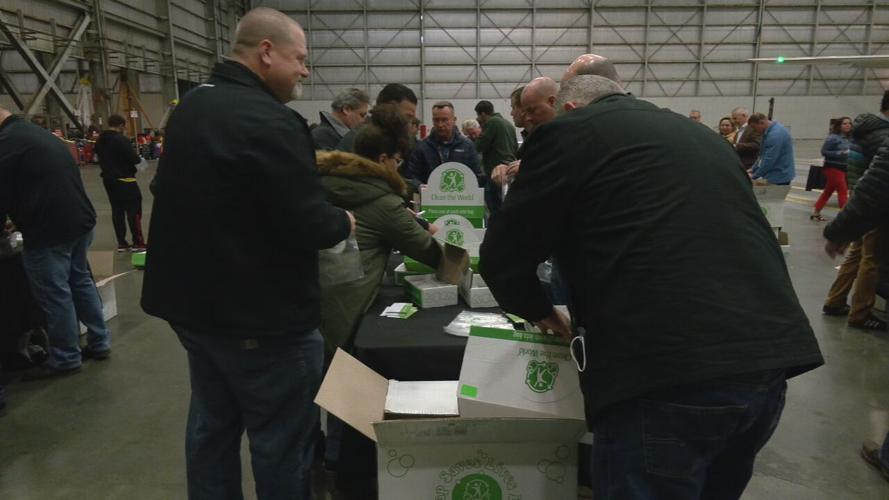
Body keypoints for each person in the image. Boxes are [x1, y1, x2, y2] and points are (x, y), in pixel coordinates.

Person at [480, 73, 823, 500]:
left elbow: (502, 256)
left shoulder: (566, 135)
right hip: (768, 364)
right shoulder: (700, 136)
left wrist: (543, 313)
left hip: (665, 374)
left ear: (567, 109)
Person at [141, 8, 354, 500]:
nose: (305, 70)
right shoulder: (272, 121)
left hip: (195, 312)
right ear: (266, 52)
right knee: (280, 442)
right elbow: (306, 223)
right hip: (261, 321)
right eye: (299, 58)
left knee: (212, 429)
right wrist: (342, 221)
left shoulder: (192, 108)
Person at [317, 104, 441, 362]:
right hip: (350, 309)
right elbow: (429, 251)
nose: (399, 166)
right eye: (398, 160)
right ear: (384, 159)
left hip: (319, 300)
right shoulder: (382, 201)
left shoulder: (331, 181)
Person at [0, 107, 111, 380]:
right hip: (79, 221)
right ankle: (99, 342)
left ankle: (66, 358)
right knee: (80, 281)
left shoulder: (8, 143)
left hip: (48, 230)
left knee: (55, 294)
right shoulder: (38, 134)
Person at [819, 116, 889, 475]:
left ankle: (842, 303)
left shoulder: (868, 143)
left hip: (865, 217)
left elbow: (869, 191)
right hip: (873, 218)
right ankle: (854, 308)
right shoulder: (878, 143)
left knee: (860, 258)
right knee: (867, 260)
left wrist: (839, 230)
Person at [822, 92, 889, 331]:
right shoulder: (882, 137)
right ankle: (861, 312)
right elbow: (877, 185)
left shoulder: (867, 131)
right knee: (871, 259)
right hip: (876, 210)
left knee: (856, 254)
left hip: (862, 204)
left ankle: (835, 300)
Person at [95, 114, 146, 252]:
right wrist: (141, 164)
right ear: (121, 125)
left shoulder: (100, 140)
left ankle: (122, 243)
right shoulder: (121, 140)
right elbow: (134, 159)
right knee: (134, 210)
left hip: (109, 180)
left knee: (117, 211)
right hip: (126, 179)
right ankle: (138, 242)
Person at [404, 101, 481, 184]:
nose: (440, 124)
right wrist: (422, 187)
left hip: (461, 196)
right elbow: (412, 176)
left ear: (454, 120)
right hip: (431, 196)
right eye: (436, 120)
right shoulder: (421, 147)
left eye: (444, 120)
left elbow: (476, 175)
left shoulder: (468, 146)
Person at [336, 83, 418, 152]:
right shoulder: (357, 141)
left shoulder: (403, 141)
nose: (410, 123)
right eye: (408, 116)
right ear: (389, 108)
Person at [474, 100, 518, 214]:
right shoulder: (508, 124)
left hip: (496, 171)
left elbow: (479, 146)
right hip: (510, 169)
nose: (478, 118)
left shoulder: (492, 122)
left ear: (483, 114)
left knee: (494, 208)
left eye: (478, 115)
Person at [811, 117, 852, 221]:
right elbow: (824, 151)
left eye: (849, 123)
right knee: (843, 191)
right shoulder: (833, 138)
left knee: (828, 191)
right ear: (839, 126)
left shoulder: (849, 138)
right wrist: (840, 153)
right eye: (844, 123)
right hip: (833, 167)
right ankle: (845, 218)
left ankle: (816, 212)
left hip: (843, 167)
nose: (848, 125)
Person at [749, 112, 795, 185]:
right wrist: (753, 169)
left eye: (754, 128)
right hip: (775, 173)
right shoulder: (770, 131)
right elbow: (762, 154)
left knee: (772, 196)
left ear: (761, 122)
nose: (754, 130)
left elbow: (769, 159)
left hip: (778, 176)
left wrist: (754, 176)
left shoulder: (774, 135)